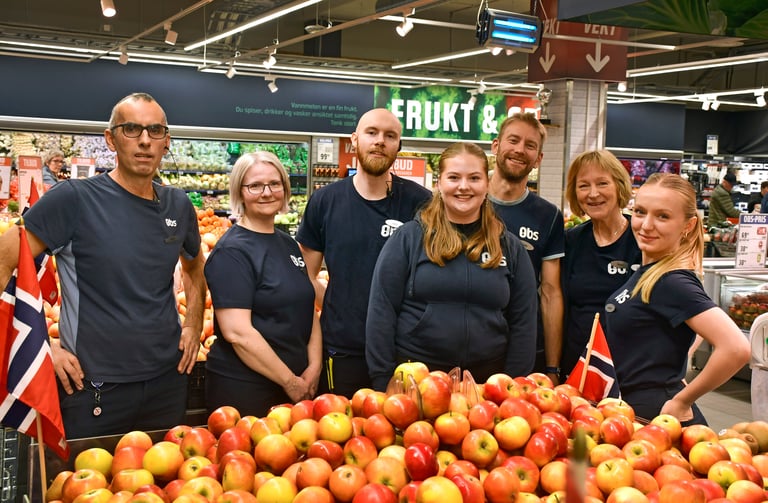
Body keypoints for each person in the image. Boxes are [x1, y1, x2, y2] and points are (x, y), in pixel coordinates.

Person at [0, 92, 206, 439]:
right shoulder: (74, 199)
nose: (145, 141)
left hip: (168, 383)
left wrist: (193, 324)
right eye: (132, 129)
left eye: (155, 130)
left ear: (166, 141)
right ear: (111, 139)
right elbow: (5, 260)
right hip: (94, 388)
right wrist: (43, 346)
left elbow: (194, 269)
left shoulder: (178, 204)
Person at [366, 142, 537, 390]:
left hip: (488, 385)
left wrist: (513, 385)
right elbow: (381, 311)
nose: (464, 186)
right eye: (454, 177)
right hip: (417, 382)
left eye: (474, 178)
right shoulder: (409, 238)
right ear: (439, 183)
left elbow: (524, 321)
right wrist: (383, 379)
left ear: (487, 184)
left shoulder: (509, 247)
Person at [296, 108, 431, 398]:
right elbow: (305, 276)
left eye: (390, 135)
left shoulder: (421, 203)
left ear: (399, 146)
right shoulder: (325, 202)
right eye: (372, 133)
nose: (380, 141)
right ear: (354, 140)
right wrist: (340, 303)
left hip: (406, 351)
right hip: (343, 349)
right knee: (342, 424)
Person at [604, 173, 750, 424]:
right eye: (640, 212)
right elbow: (694, 325)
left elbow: (737, 348)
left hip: (656, 418)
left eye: (662, 216)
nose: (646, 225)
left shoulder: (671, 281)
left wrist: (682, 400)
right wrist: (678, 361)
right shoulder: (652, 271)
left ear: (688, 226)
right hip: (636, 412)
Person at [204, 151, 322, 417]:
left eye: (274, 184)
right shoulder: (231, 252)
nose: (267, 192)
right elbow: (238, 333)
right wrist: (290, 382)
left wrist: (314, 367)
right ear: (240, 192)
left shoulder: (288, 244)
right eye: (255, 185)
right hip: (247, 391)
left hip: (299, 385)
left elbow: (307, 307)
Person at [489, 113, 564, 383]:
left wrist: (552, 368)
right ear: (496, 146)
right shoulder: (466, 202)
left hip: (525, 348)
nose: (520, 150)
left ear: (539, 159)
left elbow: (550, 293)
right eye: (513, 140)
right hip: (473, 345)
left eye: (530, 145)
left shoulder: (548, 216)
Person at [560, 150, 642, 378]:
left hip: (629, 370)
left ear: (619, 186)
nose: (593, 193)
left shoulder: (642, 238)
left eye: (602, 183)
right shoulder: (571, 241)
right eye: (583, 186)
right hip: (577, 368)